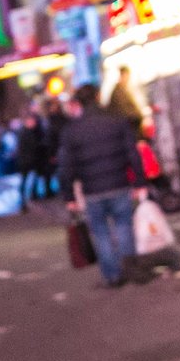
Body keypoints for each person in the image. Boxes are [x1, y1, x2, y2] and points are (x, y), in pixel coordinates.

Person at [55, 82, 148, 287]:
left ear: (78, 103)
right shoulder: (117, 122)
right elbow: (133, 153)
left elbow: (66, 167)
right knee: (124, 226)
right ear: (98, 97)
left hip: (92, 190)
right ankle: (131, 268)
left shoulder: (72, 131)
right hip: (119, 183)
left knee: (101, 233)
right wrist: (140, 181)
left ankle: (113, 276)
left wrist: (69, 196)